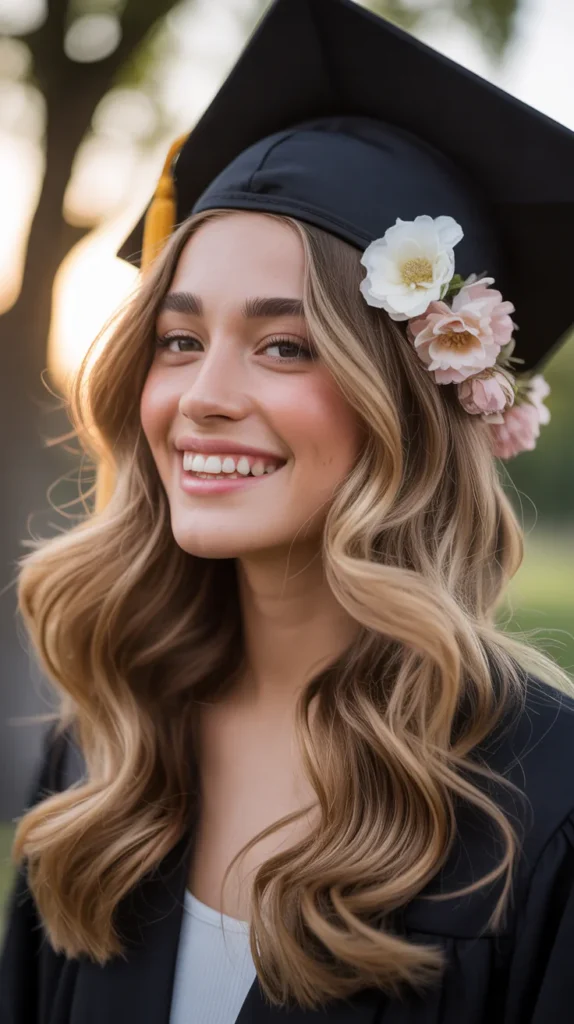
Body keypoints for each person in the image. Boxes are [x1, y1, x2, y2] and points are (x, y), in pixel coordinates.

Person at [1, 0, 574, 1021]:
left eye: (286, 344)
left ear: (408, 397)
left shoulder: (543, 806)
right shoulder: (107, 750)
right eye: (179, 340)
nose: (204, 394)